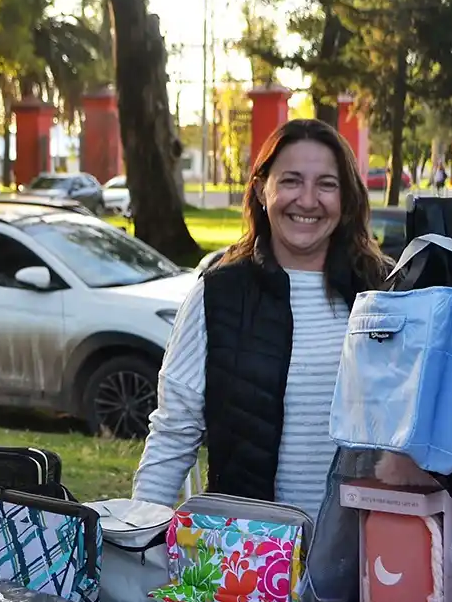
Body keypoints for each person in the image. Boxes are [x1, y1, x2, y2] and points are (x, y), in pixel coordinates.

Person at [133, 118, 389, 516]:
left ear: (347, 199)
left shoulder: (383, 293)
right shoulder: (219, 293)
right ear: (261, 189)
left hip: (364, 554)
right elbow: (173, 431)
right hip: (249, 554)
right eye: (290, 181)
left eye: (326, 184)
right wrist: (140, 533)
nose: (307, 200)